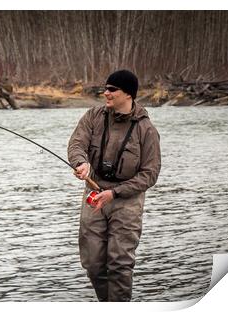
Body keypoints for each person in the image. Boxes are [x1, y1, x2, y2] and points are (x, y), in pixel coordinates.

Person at [67, 69, 161, 301]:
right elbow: (76, 144)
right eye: (105, 88)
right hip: (94, 194)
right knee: (93, 263)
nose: (105, 93)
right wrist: (82, 164)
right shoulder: (93, 116)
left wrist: (115, 192)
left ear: (127, 94)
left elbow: (150, 174)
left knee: (119, 264)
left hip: (127, 200)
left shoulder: (146, 129)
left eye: (112, 89)